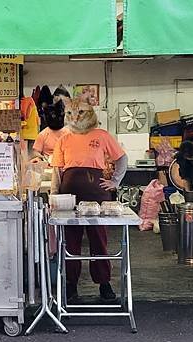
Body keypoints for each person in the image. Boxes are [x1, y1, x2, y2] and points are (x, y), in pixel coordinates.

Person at [51, 98, 127, 301]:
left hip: (98, 194)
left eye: (80, 113)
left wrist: (115, 182)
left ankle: (104, 284)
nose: (75, 118)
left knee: (99, 239)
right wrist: (54, 194)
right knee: (70, 242)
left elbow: (121, 158)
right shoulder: (63, 139)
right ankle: (71, 285)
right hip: (69, 194)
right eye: (70, 114)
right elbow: (57, 171)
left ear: (91, 113)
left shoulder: (102, 135)